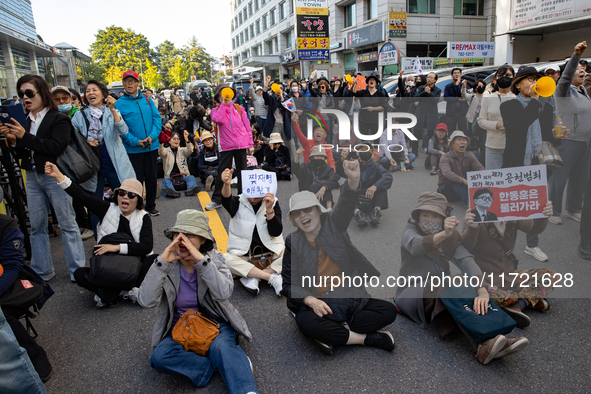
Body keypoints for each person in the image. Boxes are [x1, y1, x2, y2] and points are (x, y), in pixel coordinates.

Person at [396, 192, 528, 364]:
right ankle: (481, 346)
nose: (429, 218)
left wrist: (482, 291)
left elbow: (466, 260)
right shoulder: (410, 230)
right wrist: (443, 234)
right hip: (410, 294)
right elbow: (416, 246)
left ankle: (495, 336)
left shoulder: (452, 236)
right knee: (446, 284)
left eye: (436, 215)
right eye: (425, 214)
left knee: (469, 280)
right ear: (417, 216)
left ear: (445, 218)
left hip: (440, 290)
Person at [281, 160, 397, 355]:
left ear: (318, 210)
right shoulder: (293, 241)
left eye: (308, 209)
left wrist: (353, 181)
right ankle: (364, 339)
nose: (303, 216)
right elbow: (288, 284)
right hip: (319, 301)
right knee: (305, 322)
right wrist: (310, 301)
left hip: (346, 295)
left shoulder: (334, 225)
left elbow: (345, 205)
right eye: (297, 213)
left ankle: (334, 333)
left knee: (389, 311)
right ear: (293, 219)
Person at [137, 210, 258, 393]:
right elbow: (145, 301)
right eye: (178, 234)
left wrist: (201, 262)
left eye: (190, 235)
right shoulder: (164, 264)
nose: (182, 240)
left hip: (215, 325)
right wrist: (161, 264)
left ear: (203, 240)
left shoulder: (214, 260)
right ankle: (218, 366)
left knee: (223, 347)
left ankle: (237, 374)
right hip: (181, 327)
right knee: (159, 357)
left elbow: (223, 292)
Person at [0, 75, 85, 281]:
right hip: (32, 175)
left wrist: (23, 137)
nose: (25, 98)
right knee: (37, 226)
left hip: (55, 175)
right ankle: (42, 270)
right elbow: (24, 153)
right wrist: (13, 141)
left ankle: (78, 271)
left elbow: (55, 147)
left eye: (30, 93)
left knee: (67, 224)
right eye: (21, 94)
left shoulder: (59, 119)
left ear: (42, 93)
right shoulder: (25, 120)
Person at [44, 162, 156, 308]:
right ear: (117, 195)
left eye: (132, 195)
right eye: (122, 193)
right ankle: (125, 292)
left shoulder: (143, 217)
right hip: (108, 267)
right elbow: (81, 195)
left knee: (155, 260)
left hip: (132, 267)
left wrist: (115, 247)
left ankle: (109, 294)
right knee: (79, 274)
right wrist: (59, 176)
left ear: (138, 200)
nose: (125, 197)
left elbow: (146, 247)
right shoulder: (106, 209)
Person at [500, 66, 563, 262]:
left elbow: (547, 138)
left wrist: (558, 135)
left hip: (538, 164)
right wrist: (535, 103)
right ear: (517, 84)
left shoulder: (546, 107)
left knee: (536, 207)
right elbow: (519, 124)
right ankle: (505, 249)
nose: (534, 82)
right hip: (516, 165)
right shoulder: (508, 106)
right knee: (512, 207)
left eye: (537, 78)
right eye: (529, 79)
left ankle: (532, 245)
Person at [462, 201, 558, 328]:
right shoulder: (474, 215)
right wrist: (472, 227)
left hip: (509, 276)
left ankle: (518, 304)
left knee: (552, 276)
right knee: (490, 296)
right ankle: (527, 299)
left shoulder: (511, 212)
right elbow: (466, 247)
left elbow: (533, 228)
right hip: (485, 281)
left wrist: (542, 216)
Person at [74, 79, 137, 237]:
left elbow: (123, 130)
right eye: (88, 91)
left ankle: (127, 234)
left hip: (113, 163)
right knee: (95, 205)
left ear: (103, 94)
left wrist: (113, 110)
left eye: (94, 90)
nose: (91, 93)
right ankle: (99, 238)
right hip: (92, 166)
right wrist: (86, 142)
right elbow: (72, 139)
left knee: (124, 200)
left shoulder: (111, 111)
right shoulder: (79, 115)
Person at [0, 212, 52, 382]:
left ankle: (33, 352)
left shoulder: (5, 224)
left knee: (2, 311)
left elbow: (12, 267)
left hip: (7, 283)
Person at [220, 168, 284, 296]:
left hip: (271, 254)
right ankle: (271, 277)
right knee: (223, 259)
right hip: (244, 256)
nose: (254, 195)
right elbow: (226, 199)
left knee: (294, 252)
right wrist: (226, 184)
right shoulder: (238, 201)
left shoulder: (273, 202)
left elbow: (276, 232)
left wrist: (269, 208)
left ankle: (252, 275)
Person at [549, 41, 591, 225]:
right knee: (559, 179)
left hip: (585, 141)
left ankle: (573, 209)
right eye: (578, 69)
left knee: (580, 178)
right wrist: (576, 56)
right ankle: (554, 210)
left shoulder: (584, 92)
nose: (582, 71)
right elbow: (565, 78)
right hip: (567, 140)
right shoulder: (563, 91)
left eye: (584, 69)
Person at [51, 85, 95, 241]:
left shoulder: (79, 115)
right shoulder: (49, 117)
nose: (62, 102)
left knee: (83, 193)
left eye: (66, 98)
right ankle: (79, 223)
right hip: (59, 164)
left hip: (78, 161)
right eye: (57, 99)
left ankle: (89, 224)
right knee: (70, 194)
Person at [115, 70, 161, 217]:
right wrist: (136, 142)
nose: (130, 84)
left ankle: (151, 206)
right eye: (127, 81)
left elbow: (157, 119)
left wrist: (151, 138)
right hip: (133, 149)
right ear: (123, 83)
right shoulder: (118, 104)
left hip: (151, 146)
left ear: (137, 83)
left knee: (152, 178)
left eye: (132, 81)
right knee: (136, 180)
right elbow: (120, 127)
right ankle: (138, 208)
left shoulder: (147, 99)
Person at [206, 84, 254, 210]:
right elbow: (219, 120)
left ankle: (242, 198)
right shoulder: (215, 110)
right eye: (223, 93)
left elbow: (247, 126)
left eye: (228, 92)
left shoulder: (239, 108)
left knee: (242, 172)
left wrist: (250, 143)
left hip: (241, 144)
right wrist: (223, 104)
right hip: (226, 146)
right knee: (223, 172)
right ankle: (217, 199)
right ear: (218, 96)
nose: (226, 95)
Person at [338, 147, 393, 227]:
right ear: (357, 153)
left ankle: (376, 212)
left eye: (368, 150)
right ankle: (357, 212)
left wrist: (375, 186)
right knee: (344, 186)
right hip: (356, 199)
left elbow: (388, 177)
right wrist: (342, 160)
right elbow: (340, 172)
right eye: (363, 149)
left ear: (372, 154)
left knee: (382, 185)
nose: (366, 151)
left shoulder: (377, 166)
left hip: (371, 198)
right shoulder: (353, 164)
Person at [478, 66, 516, 170]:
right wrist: (496, 125)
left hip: (513, 145)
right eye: (501, 75)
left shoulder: (517, 98)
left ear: (514, 78)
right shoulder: (488, 98)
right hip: (493, 145)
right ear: (496, 79)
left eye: (508, 75)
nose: (504, 78)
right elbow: (481, 121)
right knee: (494, 177)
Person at [437, 130, 484, 204]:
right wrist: (463, 180)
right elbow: (447, 173)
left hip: (462, 188)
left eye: (464, 140)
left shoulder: (470, 156)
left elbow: (480, 169)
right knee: (453, 180)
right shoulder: (445, 157)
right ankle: (471, 202)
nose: (462, 142)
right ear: (452, 145)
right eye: (459, 140)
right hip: (446, 191)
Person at [159, 131, 201, 198]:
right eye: (174, 139)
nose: (176, 140)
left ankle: (190, 189)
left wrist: (187, 139)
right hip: (171, 177)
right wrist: (161, 142)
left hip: (183, 176)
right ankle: (172, 192)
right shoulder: (166, 151)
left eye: (178, 139)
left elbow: (190, 150)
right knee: (165, 180)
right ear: (169, 141)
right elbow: (161, 152)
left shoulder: (182, 150)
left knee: (191, 177)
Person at [351, 73, 387, 145]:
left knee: (376, 140)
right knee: (364, 139)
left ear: (376, 83)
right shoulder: (364, 92)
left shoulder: (380, 94)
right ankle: (365, 154)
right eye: (370, 80)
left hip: (376, 120)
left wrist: (373, 109)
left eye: (373, 80)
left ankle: (376, 154)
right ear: (367, 82)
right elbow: (354, 93)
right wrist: (356, 84)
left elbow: (384, 106)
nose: (372, 81)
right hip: (364, 120)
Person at [415, 72, 442, 155]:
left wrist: (429, 93)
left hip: (431, 115)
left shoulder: (437, 90)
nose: (428, 79)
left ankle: (431, 152)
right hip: (421, 114)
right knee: (416, 132)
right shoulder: (422, 88)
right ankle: (414, 152)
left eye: (431, 77)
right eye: (427, 77)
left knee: (431, 133)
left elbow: (435, 100)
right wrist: (424, 92)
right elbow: (416, 97)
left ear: (435, 80)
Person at [463, 78, 487, 163]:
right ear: (475, 88)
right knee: (472, 138)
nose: (481, 87)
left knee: (481, 139)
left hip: (482, 121)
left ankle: (480, 157)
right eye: (479, 85)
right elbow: (464, 95)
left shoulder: (487, 97)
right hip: (472, 120)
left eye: (483, 85)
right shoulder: (472, 96)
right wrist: (463, 86)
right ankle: (471, 156)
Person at [444, 68, 469, 134]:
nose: (456, 74)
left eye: (458, 73)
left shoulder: (464, 86)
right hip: (451, 112)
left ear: (460, 75)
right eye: (455, 73)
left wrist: (458, 85)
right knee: (451, 130)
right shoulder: (448, 86)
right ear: (452, 76)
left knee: (463, 130)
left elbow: (462, 95)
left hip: (462, 112)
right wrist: (457, 99)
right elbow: (446, 98)